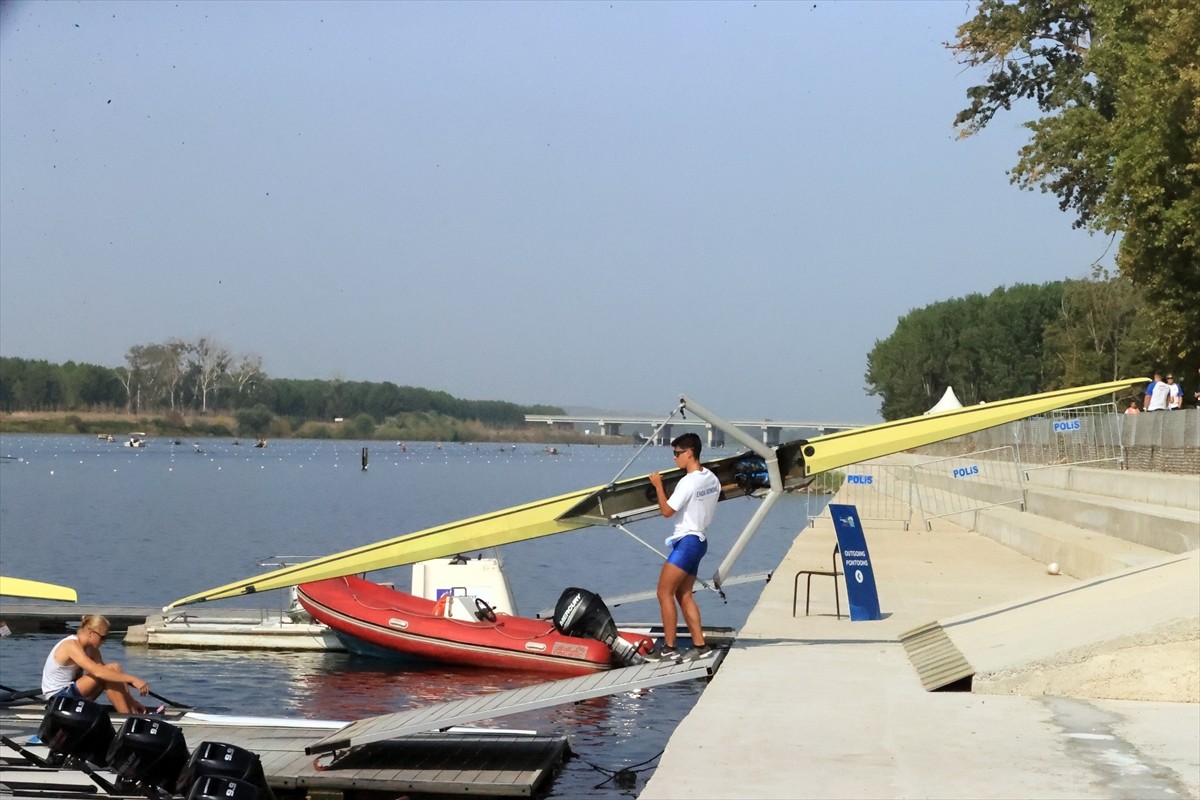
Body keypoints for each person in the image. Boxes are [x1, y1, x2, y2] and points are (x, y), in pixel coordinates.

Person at [643, 433, 722, 663]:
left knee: (663, 593)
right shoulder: (711, 478)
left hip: (687, 542)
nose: (674, 458)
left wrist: (658, 486)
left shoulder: (688, 482)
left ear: (689, 453)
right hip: (699, 541)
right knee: (683, 594)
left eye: (677, 453)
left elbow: (667, 512)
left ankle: (669, 647)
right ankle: (700, 645)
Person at [41, 614, 151, 713]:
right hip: (57, 698)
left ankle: (130, 711)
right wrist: (133, 679)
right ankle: (128, 716)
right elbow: (99, 673)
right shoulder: (71, 645)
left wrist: (131, 700)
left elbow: (109, 676)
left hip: (72, 693)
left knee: (114, 669)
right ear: (90, 633)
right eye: (102, 637)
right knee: (112, 668)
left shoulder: (92, 650)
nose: (104, 641)